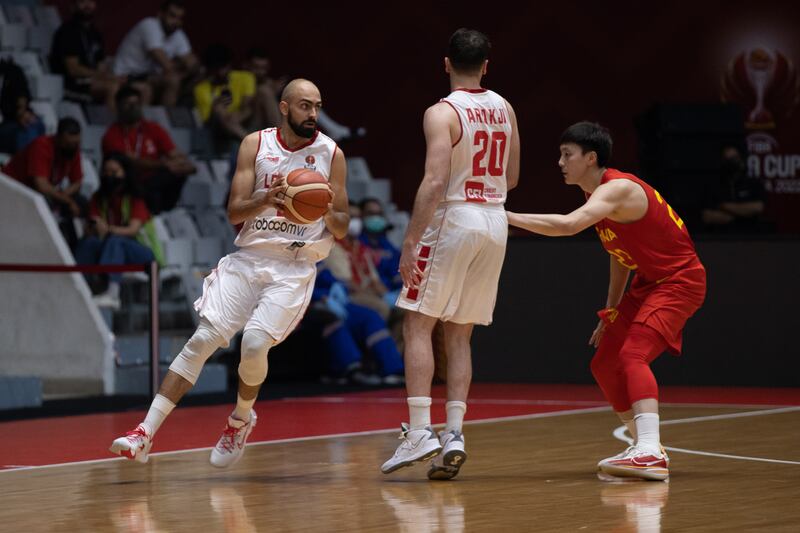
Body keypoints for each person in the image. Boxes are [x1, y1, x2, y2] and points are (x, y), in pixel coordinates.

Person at [109, 78, 349, 467]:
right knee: (202, 340)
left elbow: (341, 226)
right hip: (249, 258)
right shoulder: (255, 144)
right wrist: (268, 198)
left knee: (253, 344)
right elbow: (235, 211)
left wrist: (321, 207)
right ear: (284, 108)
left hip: (293, 264)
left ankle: (240, 420)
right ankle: (144, 433)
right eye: (305, 106)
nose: (313, 114)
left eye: (318, 106)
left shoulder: (331, 153)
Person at [507, 121, 707, 481]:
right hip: (649, 283)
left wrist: (503, 217)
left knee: (633, 355)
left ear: (591, 157)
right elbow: (619, 257)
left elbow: (568, 226)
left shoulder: (617, 188)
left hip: (680, 281)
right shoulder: (597, 196)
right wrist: (611, 311)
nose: (560, 162)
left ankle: (650, 453)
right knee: (604, 363)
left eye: (567, 155)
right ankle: (644, 445)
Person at [381, 28, 520, 480]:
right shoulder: (505, 107)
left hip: (455, 217)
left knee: (418, 322)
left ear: (446, 63)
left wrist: (410, 239)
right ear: (486, 66)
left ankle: (421, 431)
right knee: (460, 333)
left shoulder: (441, 113)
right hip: (496, 218)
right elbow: (512, 175)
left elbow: (435, 181)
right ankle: (455, 432)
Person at [74, 153, 155, 308]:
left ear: (125, 173)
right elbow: (93, 226)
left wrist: (108, 229)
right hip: (111, 248)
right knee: (88, 243)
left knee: (115, 240)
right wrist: (93, 228)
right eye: (106, 171)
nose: (109, 175)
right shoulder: (98, 198)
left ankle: (112, 294)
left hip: (142, 253)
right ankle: (79, 287)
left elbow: (132, 230)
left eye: (114, 171)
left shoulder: (135, 198)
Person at [102, 84, 195, 213]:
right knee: (155, 182)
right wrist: (165, 165)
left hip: (155, 182)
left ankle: (163, 213)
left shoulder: (152, 128)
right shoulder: (112, 134)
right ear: (118, 107)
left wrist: (182, 164)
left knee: (175, 175)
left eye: (136, 103)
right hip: (130, 183)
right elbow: (131, 162)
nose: (133, 107)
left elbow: (174, 153)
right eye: (128, 104)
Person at [1, 118, 85, 248]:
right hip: (16, 189)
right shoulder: (42, 145)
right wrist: (66, 200)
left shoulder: (72, 151)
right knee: (50, 201)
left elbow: (77, 182)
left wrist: (65, 196)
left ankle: (72, 249)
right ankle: (41, 245)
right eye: (68, 144)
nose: (73, 147)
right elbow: (41, 185)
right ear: (58, 138)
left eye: (76, 143)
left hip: (42, 192)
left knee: (81, 202)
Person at [112, 0, 198, 106]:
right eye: (172, 16)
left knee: (191, 78)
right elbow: (166, 64)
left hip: (147, 77)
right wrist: (181, 68)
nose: (175, 21)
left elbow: (193, 64)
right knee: (170, 81)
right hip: (125, 76)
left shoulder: (177, 34)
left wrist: (184, 70)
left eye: (179, 18)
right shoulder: (150, 25)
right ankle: (148, 121)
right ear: (160, 14)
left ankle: (164, 120)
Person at [49, 0, 121, 109]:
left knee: (136, 87)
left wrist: (109, 76)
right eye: (83, 2)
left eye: (91, 1)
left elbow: (100, 65)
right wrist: (101, 76)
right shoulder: (67, 31)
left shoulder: (95, 33)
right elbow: (73, 69)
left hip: (92, 81)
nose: (87, 5)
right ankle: (114, 125)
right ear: (73, 6)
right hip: (71, 85)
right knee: (112, 87)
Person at [194, 44, 256, 155]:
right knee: (218, 108)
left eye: (223, 67)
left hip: (243, 121)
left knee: (263, 94)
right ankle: (255, 146)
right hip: (218, 131)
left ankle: (282, 141)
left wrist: (233, 119)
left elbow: (248, 108)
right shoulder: (201, 89)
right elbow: (206, 122)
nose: (220, 72)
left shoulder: (245, 77)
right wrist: (215, 108)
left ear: (229, 65)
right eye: (216, 68)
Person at [701, 145, 766, 232]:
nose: (732, 163)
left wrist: (723, 206)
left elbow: (757, 207)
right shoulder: (714, 185)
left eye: (735, 158)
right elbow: (707, 216)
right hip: (720, 238)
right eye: (729, 160)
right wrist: (742, 215)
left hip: (750, 236)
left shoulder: (753, 183)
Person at [0, 59, 44, 153]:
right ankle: (26, 163)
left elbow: (22, 95)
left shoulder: (12, 71)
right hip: (5, 124)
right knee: (26, 130)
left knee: (34, 125)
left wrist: (22, 114)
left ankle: (31, 163)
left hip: (11, 119)